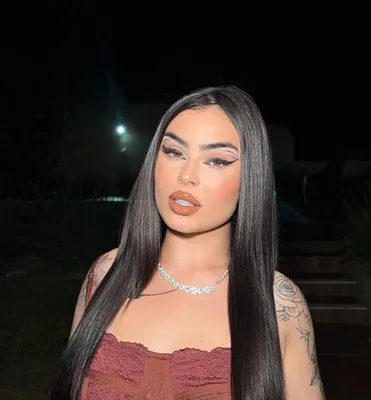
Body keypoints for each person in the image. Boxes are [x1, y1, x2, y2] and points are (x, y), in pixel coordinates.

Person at [51, 85, 325, 400]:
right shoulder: (105, 273)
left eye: (217, 160)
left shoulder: (279, 303)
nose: (186, 175)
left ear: (251, 178)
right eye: (174, 152)